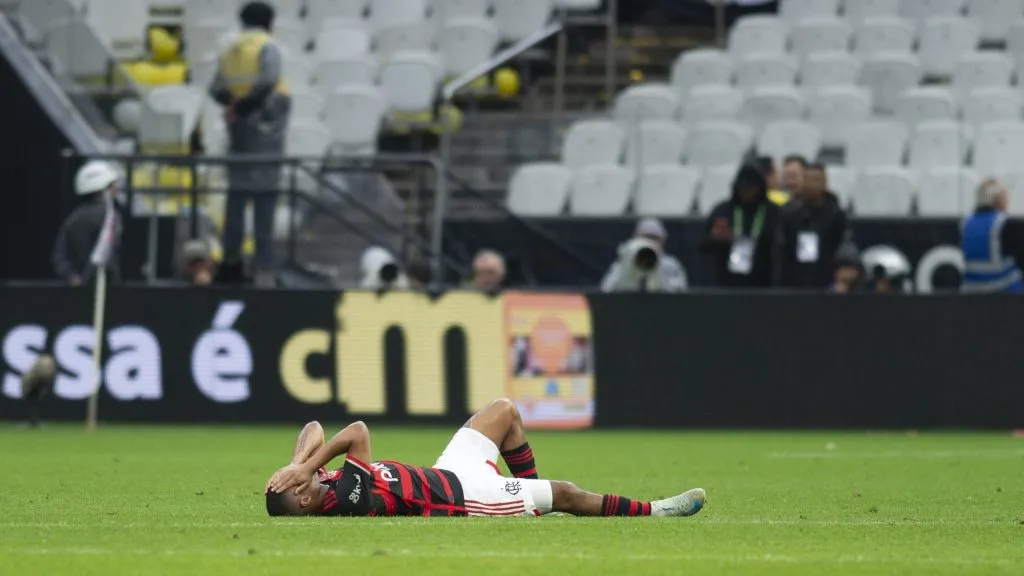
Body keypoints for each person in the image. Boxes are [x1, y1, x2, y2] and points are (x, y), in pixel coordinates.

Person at [265, 398, 706, 518]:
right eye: (301, 484)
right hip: (467, 496)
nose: (308, 475)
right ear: (305, 500)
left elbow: (314, 429)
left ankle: (533, 496)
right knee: (568, 495)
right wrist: (303, 468)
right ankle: (656, 511)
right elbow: (357, 432)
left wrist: (295, 464)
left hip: (446, 472)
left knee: (504, 411)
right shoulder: (348, 495)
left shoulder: (314, 483)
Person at [210, 1, 292, 285]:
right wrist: (245, 107)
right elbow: (269, 81)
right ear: (269, 23)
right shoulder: (267, 47)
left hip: (239, 135)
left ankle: (230, 262)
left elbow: (215, 89)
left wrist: (233, 107)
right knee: (265, 199)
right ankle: (263, 268)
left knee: (236, 197)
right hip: (267, 131)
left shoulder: (230, 50)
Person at [701, 163, 781, 288]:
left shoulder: (773, 212)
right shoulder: (722, 211)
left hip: (763, 280)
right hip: (727, 281)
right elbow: (702, 246)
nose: (746, 192)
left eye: (751, 188)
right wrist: (715, 240)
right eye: (742, 188)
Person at [777, 163, 848, 289]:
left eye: (816, 180)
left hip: (825, 281)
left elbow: (841, 246)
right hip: (795, 282)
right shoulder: (789, 214)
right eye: (808, 180)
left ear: (825, 183)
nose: (812, 185)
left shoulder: (836, 215)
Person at [53, 161, 122, 285]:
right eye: (112, 184)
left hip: (78, 290)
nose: (116, 188)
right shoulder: (111, 217)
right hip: (106, 289)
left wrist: (72, 277)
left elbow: (59, 257)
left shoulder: (73, 218)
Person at [961, 178, 1024, 293]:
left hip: (971, 292)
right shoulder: (1005, 224)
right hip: (1004, 292)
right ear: (1000, 200)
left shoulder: (966, 222)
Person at [601, 217, 687, 292]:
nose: (649, 242)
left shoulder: (671, 265)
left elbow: (680, 291)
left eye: (654, 238)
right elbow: (607, 290)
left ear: (663, 241)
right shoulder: (622, 264)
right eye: (646, 237)